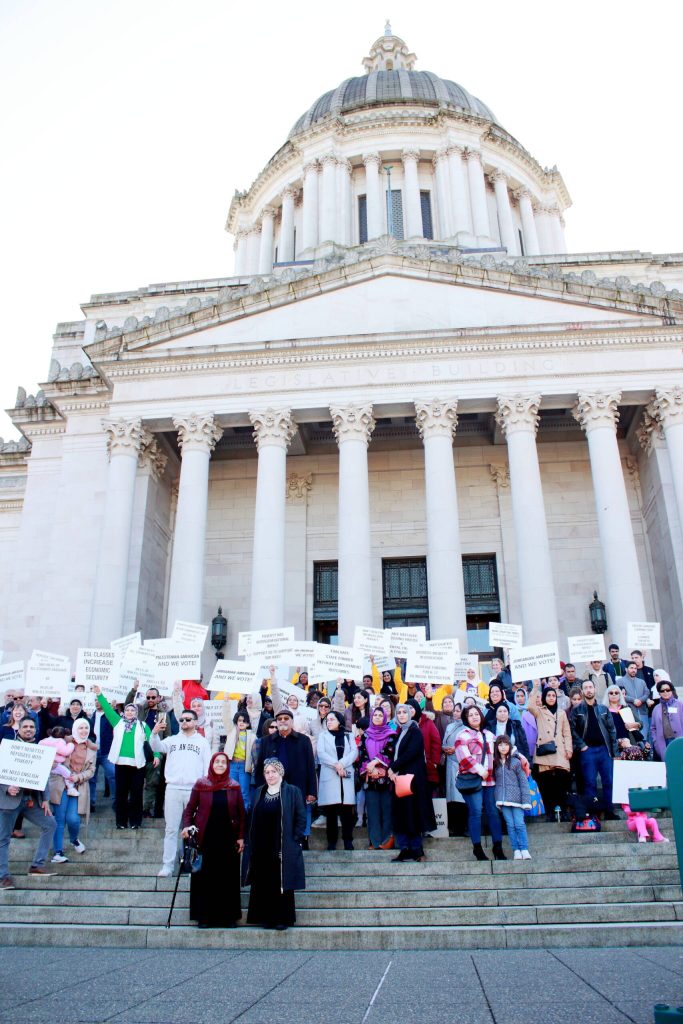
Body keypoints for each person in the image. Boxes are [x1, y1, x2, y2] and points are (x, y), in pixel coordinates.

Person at [181, 752, 245, 928]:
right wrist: (186, 826)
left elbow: (241, 814)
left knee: (227, 878)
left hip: (228, 839)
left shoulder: (234, 786)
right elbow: (189, 809)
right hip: (205, 838)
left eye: (223, 762)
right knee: (205, 878)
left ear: (227, 766)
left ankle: (229, 918)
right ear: (211, 764)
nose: (220, 764)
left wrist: (241, 837)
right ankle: (204, 917)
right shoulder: (201, 784)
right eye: (217, 761)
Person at [243, 758, 306, 930]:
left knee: (280, 881)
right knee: (264, 880)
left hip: (282, 844)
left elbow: (301, 817)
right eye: (267, 772)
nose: (270, 775)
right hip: (261, 845)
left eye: (273, 772)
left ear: (280, 773)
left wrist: (295, 839)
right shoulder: (259, 792)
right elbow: (252, 817)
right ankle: (266, 917)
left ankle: (281, 918)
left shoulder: (292, 791)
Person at [150, 708, 211, 877]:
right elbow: (156, 746)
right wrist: (154, 733)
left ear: (196, 722)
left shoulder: (202, 742)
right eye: (182, 720)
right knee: (171, 829)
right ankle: (168, 866)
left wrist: (204, 790)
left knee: (194, 830)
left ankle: (193, 865)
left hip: (194, 789)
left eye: (188, 719)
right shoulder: (173, 740)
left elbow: (207, 768)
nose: (184, 722)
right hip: (173, 787)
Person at [0, 717, 57, 888]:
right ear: (19, 729)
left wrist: (45, 799)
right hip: (9, 801)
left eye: (31, 726)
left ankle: (37, 865)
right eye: (25, 726)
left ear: (36, 730)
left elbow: (44, 776)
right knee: (3, 838)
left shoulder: (40, 751)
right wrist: (7, 788)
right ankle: (3, 876)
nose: (28, 729)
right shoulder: (7, 748)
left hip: (31, 800)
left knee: (50, 824)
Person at [254, 707, 317, 849]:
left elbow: (310, 766)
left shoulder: (304, 740)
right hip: (273, 788)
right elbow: (259, 768)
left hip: (298, 786)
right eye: (280, 719)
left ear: (292, 722)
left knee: (297, 816)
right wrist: (261, 789)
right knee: (275, 817)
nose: (283, 721)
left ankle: (299, 843)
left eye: (286, 718)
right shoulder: (266, 741)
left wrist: (312, 791)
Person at [93, 685, 152, 830]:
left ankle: (135, 822)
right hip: (120, 763)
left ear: (136, 713)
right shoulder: (118, 722)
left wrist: (156, 755)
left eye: (133, 710)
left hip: (137, 765)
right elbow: (107, 709)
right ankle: (121, 822)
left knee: (136, 794)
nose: (130, 712)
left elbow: (152, 742)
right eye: (127, 710)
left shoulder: (143, 725)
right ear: (124, 712)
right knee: (121, 794)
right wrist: (99, 694)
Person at [454, 705, 505, 861]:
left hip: (490, 781)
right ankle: (477, 848)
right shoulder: (462, 736)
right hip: (472, 780)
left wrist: (520, 757)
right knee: (475, 811)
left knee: (493, 812)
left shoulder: (489, 735)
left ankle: (498, 847)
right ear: (466, 719)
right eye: (470, 715)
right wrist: (480, 770)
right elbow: (464, 758)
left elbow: (503, 748)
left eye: (476, 714)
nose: (474, 717)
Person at [387, 703, 435, 862]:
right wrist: (392, 769)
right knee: (402, 813)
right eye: (399, 712)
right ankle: (405, 849)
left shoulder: (415, 731)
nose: (401, 715)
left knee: (412, 813)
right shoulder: (400, 731)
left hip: (412, 780)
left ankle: (416, 849)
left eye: (404, 712)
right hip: (401, 779)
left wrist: (392, 768)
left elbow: (411, 753)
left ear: (409, 714)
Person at [569, 679, 619, 817]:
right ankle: (593, 813)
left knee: (608, 781)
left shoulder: (603, 709)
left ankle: (609, 811)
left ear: (595, 689)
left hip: (604, 750)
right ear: (582, 691)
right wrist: (582, 745)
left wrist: (615, 752)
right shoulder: (577, 710)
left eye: (591, 687)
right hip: (588, 751)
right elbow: (571, 730)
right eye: (586, 688)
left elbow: (612, 730)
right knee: (590, 783)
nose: (589, 690)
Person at [49, 717, 95, 863]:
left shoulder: (92, 748)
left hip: (78, 786)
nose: (83, 731)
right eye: (80, 728)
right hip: (60, 783)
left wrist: (78, 777)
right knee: (60, 818)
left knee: (73, 819)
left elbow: (92, 770)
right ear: (75, 729)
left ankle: (74, 839)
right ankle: (58, 852)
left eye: (86, 728)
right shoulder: (63, 741)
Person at [526, 681, 573, 821]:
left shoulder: (561, 713)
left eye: (553, 695)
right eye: (548, 695)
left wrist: (569, 749)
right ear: (544, 697)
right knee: (546, 785)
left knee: (562, 784)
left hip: (560, 752)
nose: (551, 698)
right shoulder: (539, 711)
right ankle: (550, 812)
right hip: (544, 752)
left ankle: (563, 811)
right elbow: (530, 706)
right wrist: (535, 688)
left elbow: (567, 733)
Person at [316, 711, 358, 850]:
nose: (328, 722)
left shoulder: (348, 735)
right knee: (331, 811)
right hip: (330, 775)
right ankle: (331, 842)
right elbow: (321, 754)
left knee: (347, 811)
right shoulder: (323, 736)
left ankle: (348, 840)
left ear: (339, 721)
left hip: (345, 774)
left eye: (332, 719)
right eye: (327, 720)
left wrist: (342, 764)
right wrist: (336, 765)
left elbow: (354, 752)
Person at [359, 707, 395, 850]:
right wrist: (370, 768)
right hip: (370, 778)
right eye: (375, 715)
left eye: (381, 715)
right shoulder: (366, 735)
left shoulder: (390, 734)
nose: (378, 717)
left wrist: (376, 764)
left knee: (387, 811)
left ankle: (386, 842)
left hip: (386, 779)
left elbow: (389, 751)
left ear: (384, 718)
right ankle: (374, 842)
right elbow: (362, 754)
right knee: (372, 812)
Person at [493, 735, 532, 859]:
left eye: (505, 744)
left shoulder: (516, 762)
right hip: (503, 800)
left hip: (517, 800)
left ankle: (524, 849)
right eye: (500, 745)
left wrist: (526, 801)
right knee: (510, 825)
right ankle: (516, 850)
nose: (503, 747)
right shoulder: (495, 763)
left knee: (519, 824)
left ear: (510, 746)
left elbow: (523, 782)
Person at [223, 704, 257, 812]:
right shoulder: (231, 731)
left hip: (244, 767)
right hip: (232, 765)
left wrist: (253, 768)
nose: (241, 723)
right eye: (239, 720)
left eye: (244, 721)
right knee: (231, 790)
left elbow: (255, 754)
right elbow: (225, 717)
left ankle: (244, 815)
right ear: (236, 722)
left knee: (244, 792)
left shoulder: (252, 736)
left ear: (248, 723)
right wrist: (226, 702)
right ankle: (231, 814)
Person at [442, 706, 467, 837]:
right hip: (449, 763)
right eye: (455, 711)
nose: (456, 713)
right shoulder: (449, 726)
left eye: (459, 711)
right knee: (451, 796)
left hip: (461, 763)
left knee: (460, 795)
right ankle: (452, 826)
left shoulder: (467, 727)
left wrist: (455, 749)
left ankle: (461, 827)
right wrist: (445, 748)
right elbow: (444, 742)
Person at [89, 692, 116, 813]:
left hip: (107, 752)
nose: (97, 702)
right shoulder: (90, 716)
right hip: (92, 751)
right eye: (96, 700)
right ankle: (91, 803)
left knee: (113, 775)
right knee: (91, 778)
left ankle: (116, 802)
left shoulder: (110, 715)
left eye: (100, 700)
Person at [603, 683, 644, 751]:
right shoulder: (604, 711)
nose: (614, 694)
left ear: (620, 695)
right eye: (611, 693)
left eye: (616, 693)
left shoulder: (626, 708)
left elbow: (641, 724)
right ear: (607, 695)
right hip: (613, 745)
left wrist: (634, 724)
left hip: (629, 744)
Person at [39, 727, 78, 797]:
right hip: (56, 765)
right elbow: (66, 751)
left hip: (45, 764)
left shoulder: (44, 740)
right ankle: (71, 788)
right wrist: (71, 744)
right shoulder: (59, 742)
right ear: (64, 736)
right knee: (67, 774)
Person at [650, 679, 683, 761]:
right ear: (659, 693)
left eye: (668, 690)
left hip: (679, 740)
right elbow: (653, 728)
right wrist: (656, 741)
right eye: (662, 690)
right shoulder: (656, 708)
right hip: (664, 742)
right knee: (668, 764)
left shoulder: (680, 705)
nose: (665, 692)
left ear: (672, 691)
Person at [621, 662, 652, 743]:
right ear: (626, 669)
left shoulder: (641, 682)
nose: (634, 670)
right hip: (630, 713)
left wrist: (640, 700)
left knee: (645, 737)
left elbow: (647, 693)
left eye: (635, 668)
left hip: (642, 712)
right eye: (631, 668)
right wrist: (633, 700)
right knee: (635, 738)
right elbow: (621, 695)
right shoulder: (620, 681)